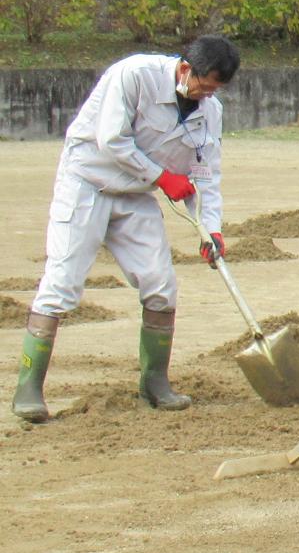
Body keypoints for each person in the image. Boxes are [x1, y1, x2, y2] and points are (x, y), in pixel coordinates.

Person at [13, 35, 241, 425]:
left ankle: (155, 383)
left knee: (160, 284)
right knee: (62, 282)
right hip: (86, 183)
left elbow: (206, 175)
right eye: (205, 85)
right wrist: (162, 176)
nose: (207, 96)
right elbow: (112, 140)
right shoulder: (133, 75)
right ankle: (28, 389)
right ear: (186, 69)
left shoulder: (210, 110)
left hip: (135, 196)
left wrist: (211, 230)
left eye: (216, 90)